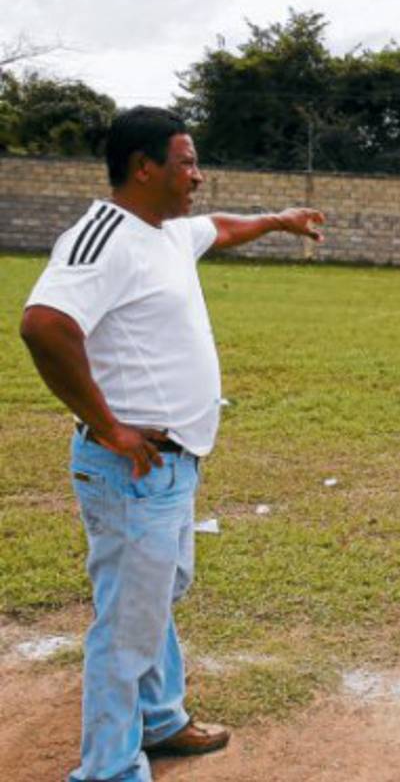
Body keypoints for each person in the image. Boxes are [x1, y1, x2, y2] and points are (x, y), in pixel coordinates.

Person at [19, 106, 326, 782]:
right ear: (144, 166)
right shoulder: (104, 235)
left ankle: (160, 718)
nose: (198, 173)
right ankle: (108, 769)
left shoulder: (164, 233)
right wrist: (107, 425)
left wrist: (277, 220)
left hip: (168, 465)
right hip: (133, 465)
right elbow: (44, 324)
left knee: (153, 597)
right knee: (127, 622)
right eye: (186, 161)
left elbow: (218, 227)